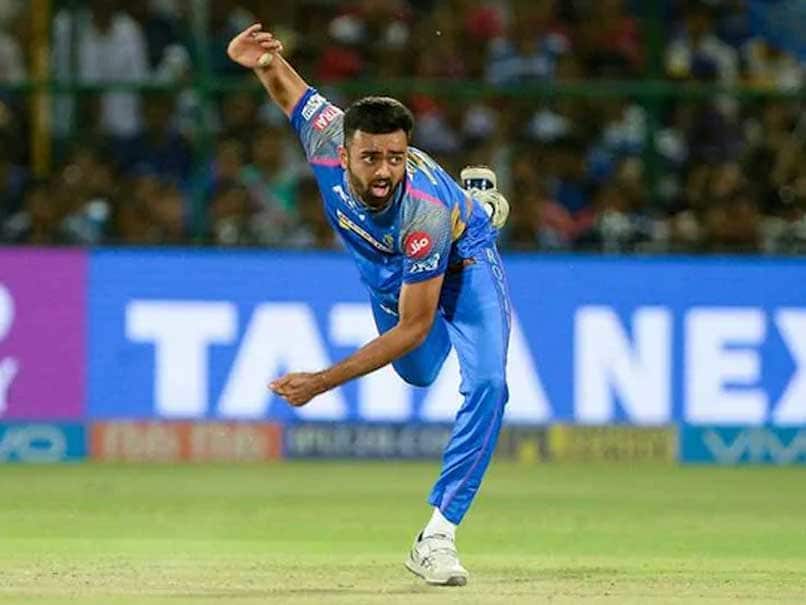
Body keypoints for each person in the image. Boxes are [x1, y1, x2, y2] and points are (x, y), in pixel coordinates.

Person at [227, 23, 511, 587]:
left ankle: (438, 535)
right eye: (371, 158)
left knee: (489, 385)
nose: (384, 172)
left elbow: (412, 327)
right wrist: (261, 62)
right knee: (418, 374)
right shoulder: (325, 134)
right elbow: (288, 91)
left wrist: (322, 382)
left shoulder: (422, 212)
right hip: (392, 273)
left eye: (396, 158)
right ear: (344, 151)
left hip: (461, 258)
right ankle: (476, 203)